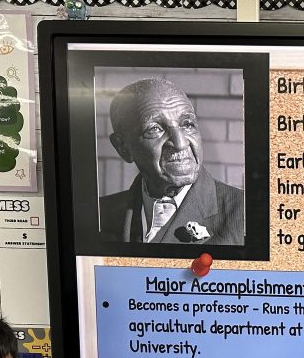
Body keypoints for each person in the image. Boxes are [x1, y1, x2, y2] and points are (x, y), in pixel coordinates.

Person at [99, 77, 245, 245]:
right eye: (155, 129)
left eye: (187, 124)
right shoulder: (99, 214)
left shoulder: (244, 213)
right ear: (123, 147)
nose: (180, 143)